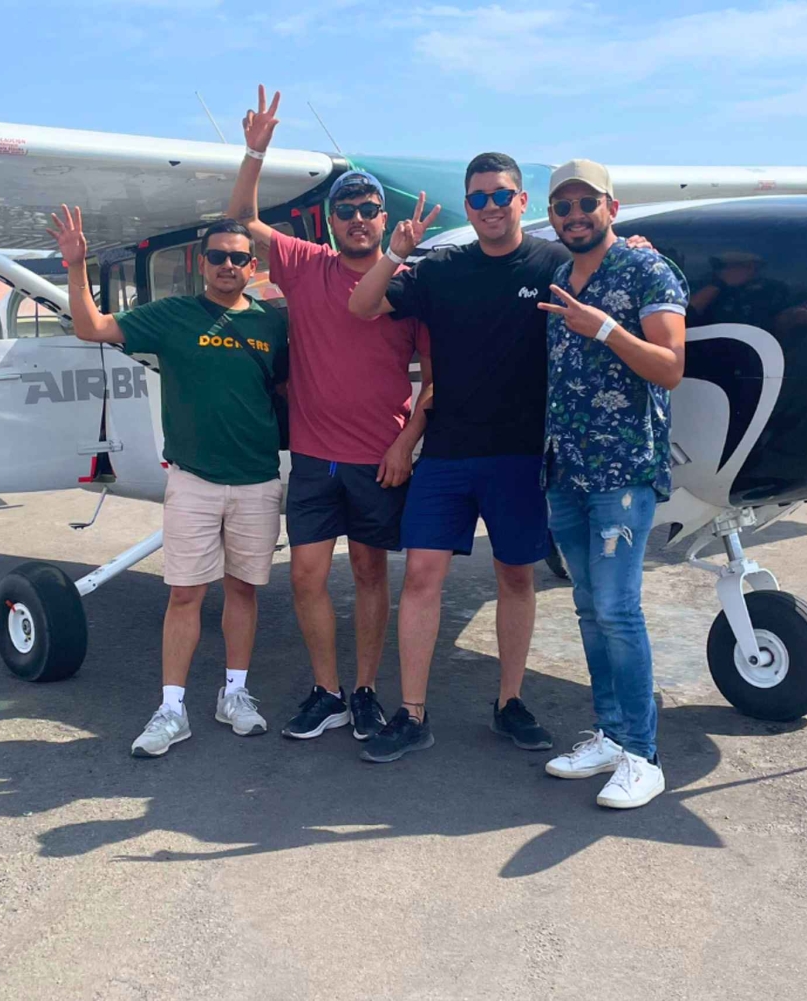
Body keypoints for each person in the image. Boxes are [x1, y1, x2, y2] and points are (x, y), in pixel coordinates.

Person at [345, 152, 567, 764]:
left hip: (517, 455)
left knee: (516, 577)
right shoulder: (442, 268)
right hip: (446, 454)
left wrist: (644, 249)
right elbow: (362, 306)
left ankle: (510, 702)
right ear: (467, 206)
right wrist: (395, 250)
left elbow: (617, 279)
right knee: (420, 578)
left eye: (502, 196)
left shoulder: (555, 266)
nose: (490, 207)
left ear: (523, 201)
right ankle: (412, 714)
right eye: (478, 199)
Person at [226, 86, 432, 742]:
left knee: (371, 572)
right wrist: (256, 150)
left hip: (380, 456)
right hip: (315, 456)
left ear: (382, 217)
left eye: (370, 209)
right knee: (309, 575)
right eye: (347, 209)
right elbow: (241, 220)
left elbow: (437, 381)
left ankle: (366, 688)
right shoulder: (303, 262)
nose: (359, 219)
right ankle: (328, 689)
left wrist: (408, 442)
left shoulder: (408, 284)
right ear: (330, 219)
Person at [47, 206, 289, 758]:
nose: (228, 265)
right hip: (194, 480)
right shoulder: (173, 315)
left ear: (253, 265)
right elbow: (92, 328)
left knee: (243, 590)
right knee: (184, 594)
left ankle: (235, 694)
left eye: (238, 257)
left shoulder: (272, 323)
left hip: (257, 479)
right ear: (202, 263)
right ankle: (171, 709)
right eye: (218, 257)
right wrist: (76, 265)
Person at [535, 160, 688, 809]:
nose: (574, 216)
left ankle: (644, 756)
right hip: (564, 467)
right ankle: (610, 732)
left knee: (620, 608)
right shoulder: (559, 278)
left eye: (585, 204)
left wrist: (603, 326)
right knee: (589, 607)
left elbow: (672, 366)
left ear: (612, 207)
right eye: (562, 207)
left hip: (623, 468)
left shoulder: (647, 270)